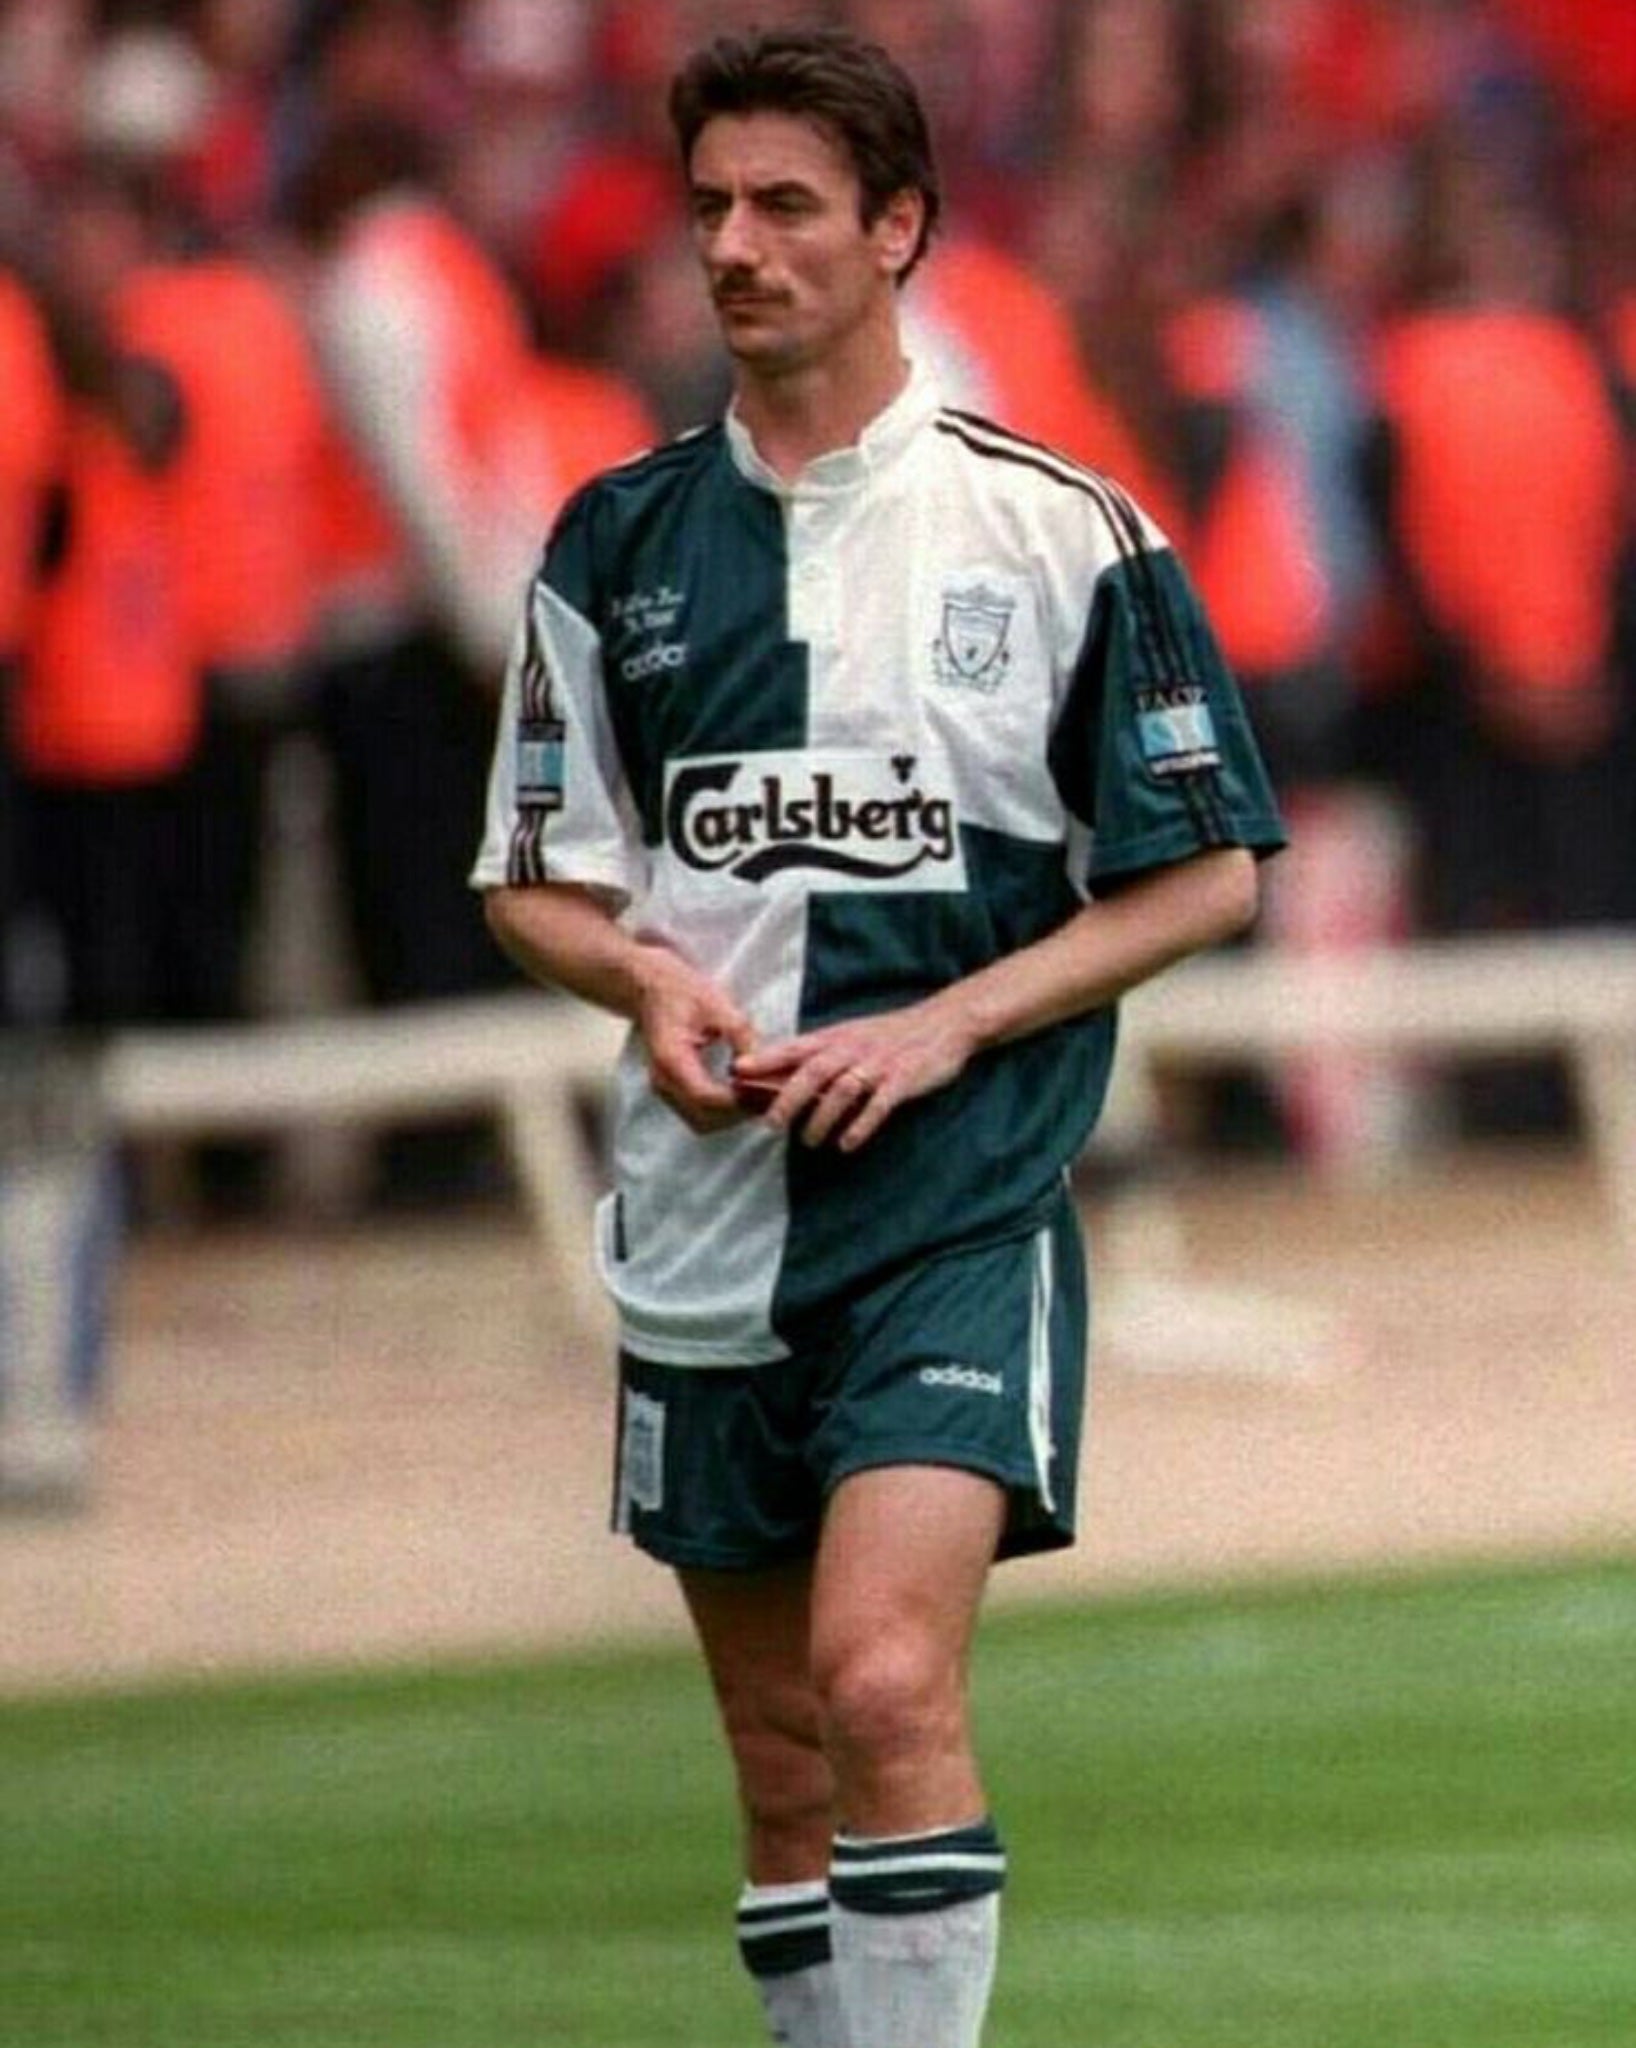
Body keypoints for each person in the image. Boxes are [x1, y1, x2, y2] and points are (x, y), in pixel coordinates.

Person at [473, 26, 1285, 2048]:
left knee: (884, 1681)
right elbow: (533, 875)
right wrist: (647, 984)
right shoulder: (613, 546)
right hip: (704, 1221)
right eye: (709, 210)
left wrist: (948, 1028)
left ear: (899, 227)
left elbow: (1205, 873)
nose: (734, 249)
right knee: (780, 1760)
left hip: (955, 1203)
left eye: (785, 206)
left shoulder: (1060, 531)